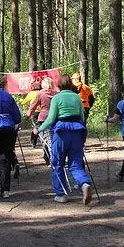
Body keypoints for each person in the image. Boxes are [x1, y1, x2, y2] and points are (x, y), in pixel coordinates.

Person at [35, 75, 94, 204]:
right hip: (77, 132)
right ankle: (84, 184)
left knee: (57, 163)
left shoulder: (57, 98)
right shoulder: (77, 98)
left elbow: (50, 119)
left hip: (61, 133)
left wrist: (39, 129)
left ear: (59, 85)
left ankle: (61, 194)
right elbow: (82, 117)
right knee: (76, 164)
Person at [28, 77, 58, 162]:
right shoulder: (56, 93)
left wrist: (28, 114)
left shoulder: (40, 93)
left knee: (45, 139)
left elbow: (33, 106)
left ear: (43, 85)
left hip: (43, 118)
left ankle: (48, 158)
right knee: (54, 138)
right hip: (55, 118)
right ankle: (54, 157)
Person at [20, 81, 42, 146]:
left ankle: (33, 142)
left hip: (34, 112)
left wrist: (21, 100)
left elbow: (23, 102)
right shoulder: (42, 92)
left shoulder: (31, 93)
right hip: (43, 113)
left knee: (36, 127)